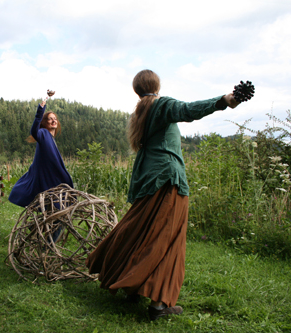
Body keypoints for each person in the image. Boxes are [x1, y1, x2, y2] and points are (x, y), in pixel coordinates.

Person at [86, 69, 243, 321]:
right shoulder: (162, 104)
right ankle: (159, 303)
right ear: (157, 85)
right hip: (168, 178)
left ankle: (131, 287)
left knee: (140, 231)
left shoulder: (140, 112)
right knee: (168, 237)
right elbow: (190, 110)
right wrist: (224, 100)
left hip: (148, 178)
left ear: (136, 89)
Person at [8, 95, 73, 220]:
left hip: (51, 181)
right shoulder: (43, 133)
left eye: (55, 119)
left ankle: (45, 234)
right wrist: (40, 110)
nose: (53, 121)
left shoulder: (51, 140)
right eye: (49, 119)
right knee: (58, 214)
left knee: (55, 212)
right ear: (44, 122)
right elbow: (34, 131)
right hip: (45, 180)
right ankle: (49, 238)